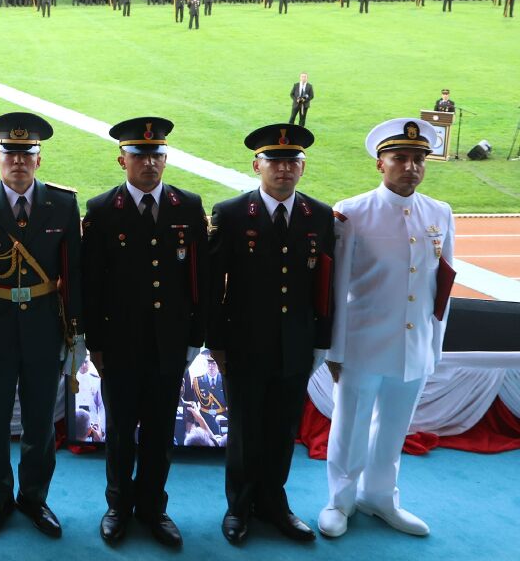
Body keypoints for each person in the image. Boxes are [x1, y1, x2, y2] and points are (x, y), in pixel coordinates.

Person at [318, 118, 455, 540]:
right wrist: (334, 350)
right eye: (400, 158)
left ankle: (380, 497)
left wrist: (435, 346)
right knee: (351, 425)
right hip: (362, 341)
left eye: (418, 159)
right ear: (381, 164)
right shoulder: (353, 212)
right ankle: (339, 500)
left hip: (413, 344)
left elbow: (442, 285)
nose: (411, 167)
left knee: (395, 426)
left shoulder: (439, 213)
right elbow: (337, 287)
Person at [80, 117, 208, 548]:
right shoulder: (101, 211)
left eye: (156, 155)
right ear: (122, 160)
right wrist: (94, 343)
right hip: (119, 343)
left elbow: (200, 279)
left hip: (169, 343)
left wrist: (195, 337)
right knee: (118, 430)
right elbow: (92, 285)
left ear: (166, 158)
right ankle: (117, 505)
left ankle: (153, 507)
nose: (149, 163)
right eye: (140, 155)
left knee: (159, 430)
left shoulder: (188, 207)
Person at [207, 123, 334, 545]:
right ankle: (239, 507)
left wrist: (321, 340)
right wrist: (218, 343)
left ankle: (275, 504)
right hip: (245, 343)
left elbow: (326, 284)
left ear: (303, 168)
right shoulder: (230, 213)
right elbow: (213, 286)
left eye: (292, 162)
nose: (284, 170)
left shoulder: (319, 215)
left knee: (283, 430)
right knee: (245, 431)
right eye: (275, 162)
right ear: (256, 165)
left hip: (296, 342)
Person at [0, 113, 83, 539]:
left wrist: (75, 331)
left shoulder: (63, 204)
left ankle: (34, 496)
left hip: (45, 325)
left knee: (40, 418)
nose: (18, 161)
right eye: (9, 153)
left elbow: (74, 273)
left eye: (26, 154)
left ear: (39, 159)